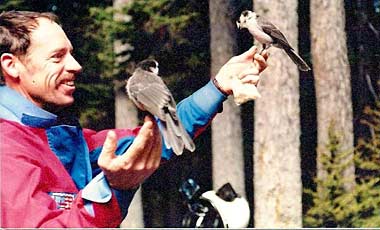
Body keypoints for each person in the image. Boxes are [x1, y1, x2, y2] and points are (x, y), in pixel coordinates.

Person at [0, 11, 268, 228]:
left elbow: (150, 139)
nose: (75, 65)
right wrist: (114, 188)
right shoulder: (6, 148)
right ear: (11, 65)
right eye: (57, 57)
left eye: (70, 54)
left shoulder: (61, 135)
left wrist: (218, 88)